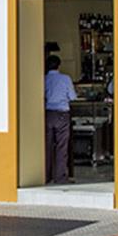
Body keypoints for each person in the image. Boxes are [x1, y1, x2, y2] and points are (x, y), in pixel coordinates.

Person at [45, 55, 77, 184]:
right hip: (62, 114)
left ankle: (46, 175)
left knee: (47, 146)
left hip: (47, 114)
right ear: (59, 65)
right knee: (61, 146)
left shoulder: (44, 79)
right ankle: (60, 177)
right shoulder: (65, 79)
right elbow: (72, 97)